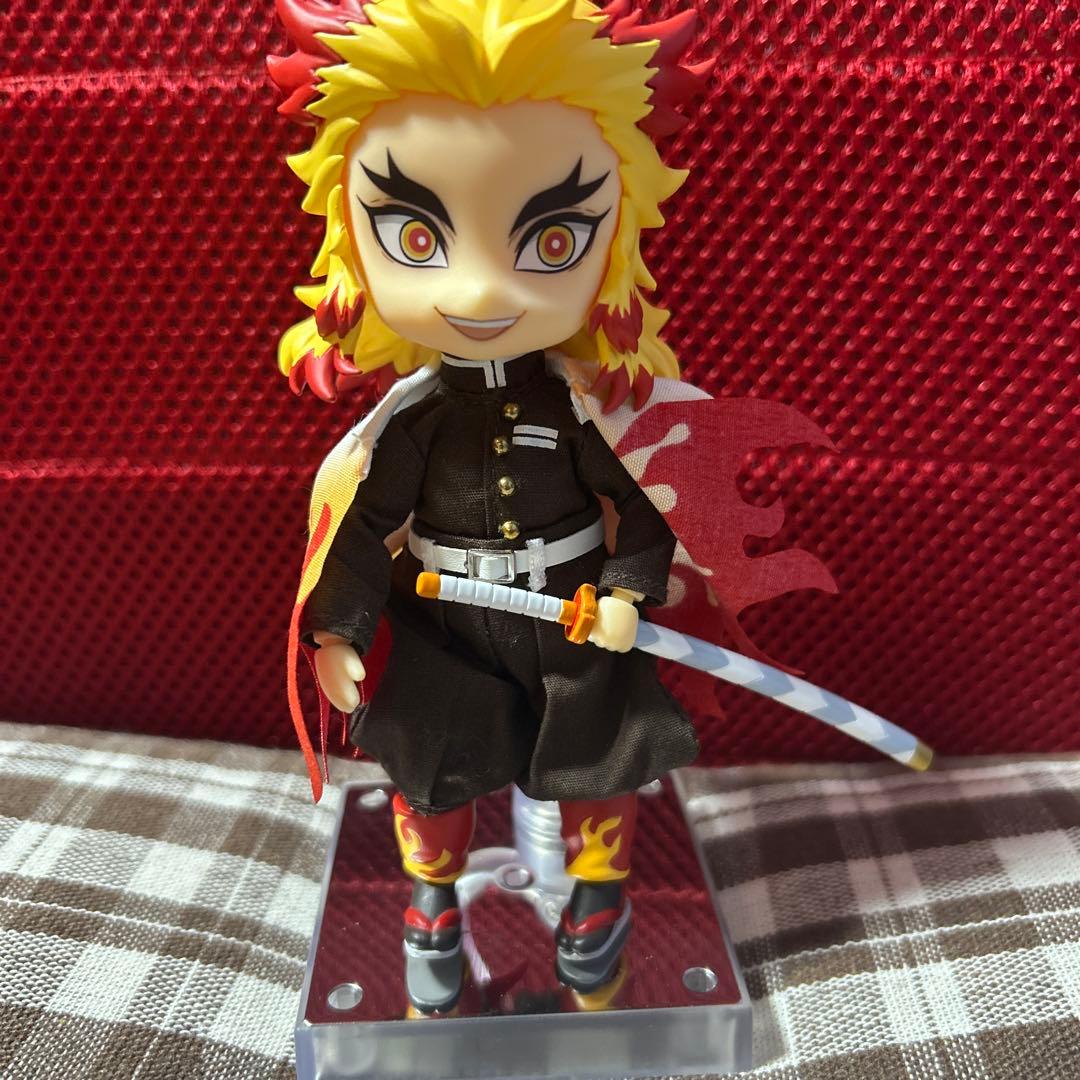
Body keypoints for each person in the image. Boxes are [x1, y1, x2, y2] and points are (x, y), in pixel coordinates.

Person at [269, 0, 713, 1012]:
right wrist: (338, 630)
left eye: (552, 239)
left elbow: (639, 503)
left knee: (603, 748)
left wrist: (629, 590)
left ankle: (596, 899)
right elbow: (361, 525)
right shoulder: (413, 423)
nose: (479, 291)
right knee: (426, 756)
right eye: (414, 234)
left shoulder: (585, 408)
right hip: (446, 626)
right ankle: (431, 904)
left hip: (571, 615)